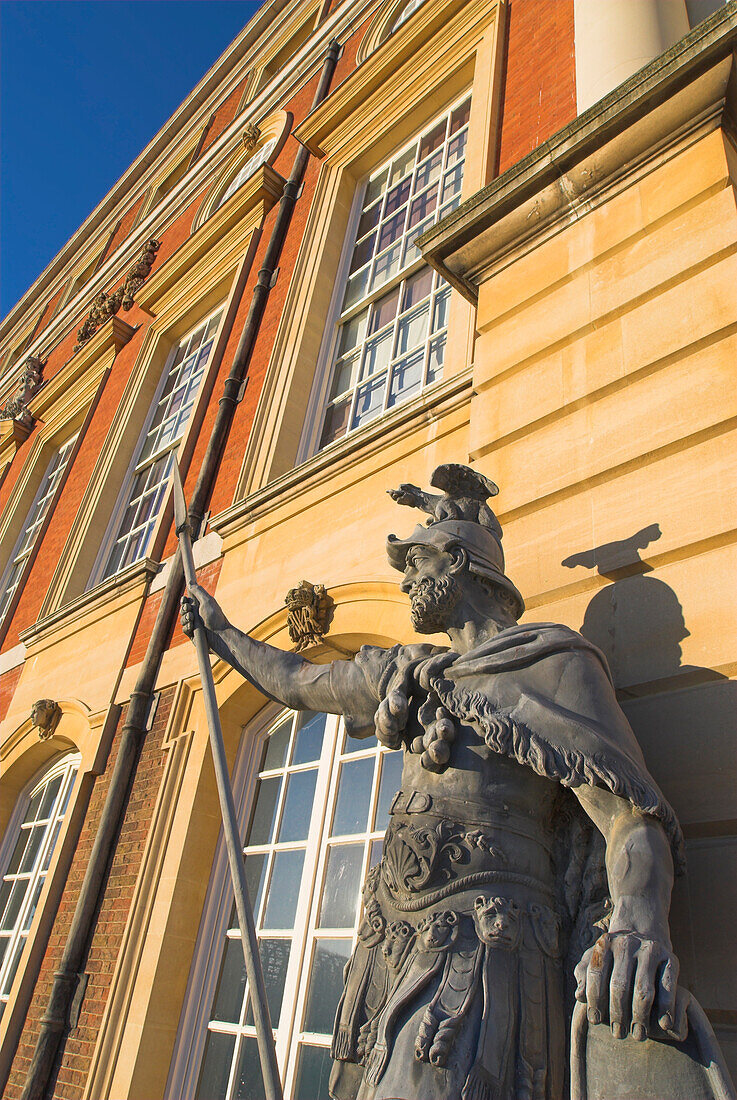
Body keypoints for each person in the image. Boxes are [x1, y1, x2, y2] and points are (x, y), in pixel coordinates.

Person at [181, 464, 692, 1100]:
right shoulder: (410, 672)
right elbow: (296, 683)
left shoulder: (553, 663)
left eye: (415, 564)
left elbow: (630, 815)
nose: (407, 582)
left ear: (455, 560)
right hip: (387, 941)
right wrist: (223, 631)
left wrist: (641, 921)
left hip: (487, 950)